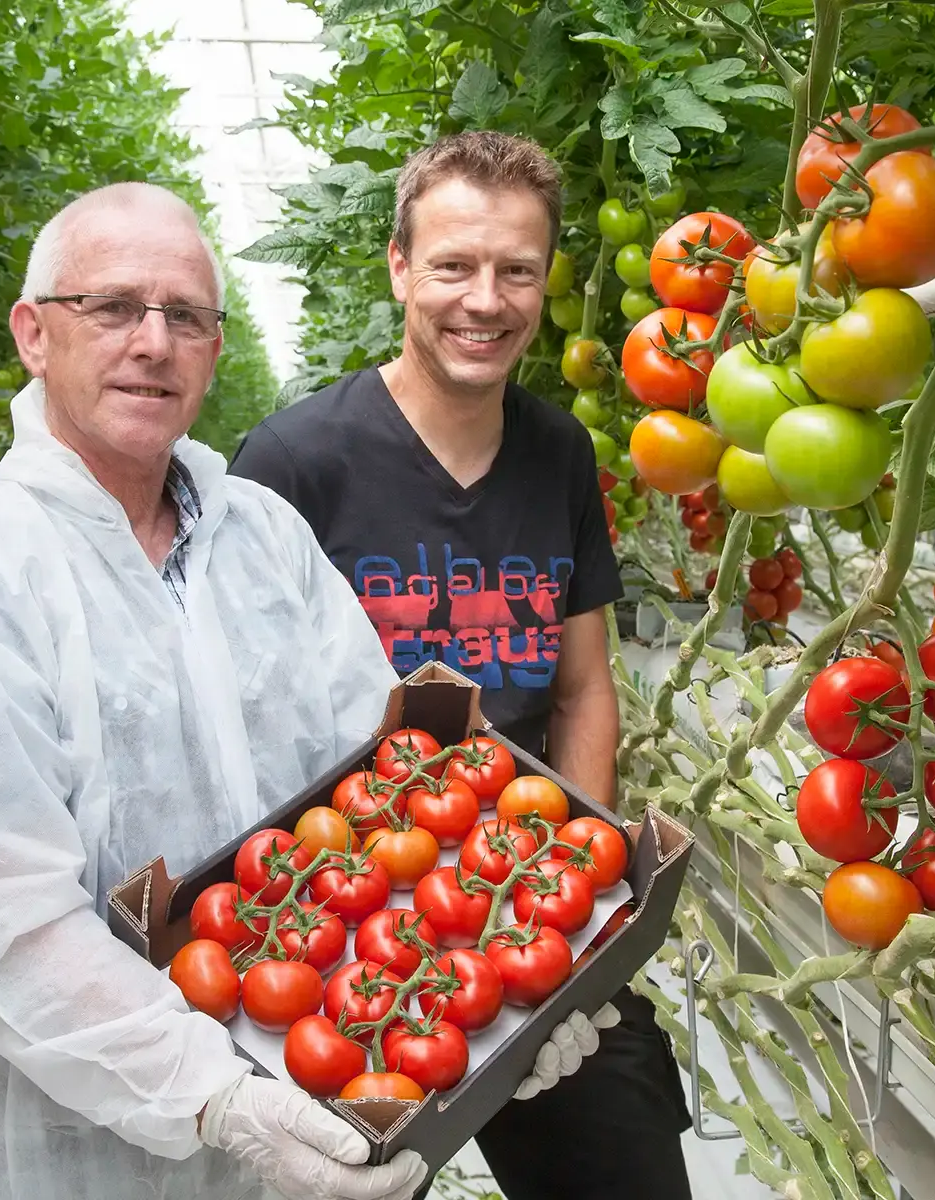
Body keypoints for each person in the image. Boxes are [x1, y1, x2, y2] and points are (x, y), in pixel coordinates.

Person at [0, 182, 611, 1200]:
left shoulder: (263, 534)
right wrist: (214, 1094)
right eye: (114, 307)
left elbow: (378, 773)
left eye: (187, 317)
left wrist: (507, 998)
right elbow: (12, 926)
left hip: (316, 1053)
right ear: (34, 335)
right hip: (67, 1144)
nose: (154, 344)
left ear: (215, 348)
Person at [229, 133, 694, 1200]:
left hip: (519, 894)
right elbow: (247, 722)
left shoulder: (560, 451)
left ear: (544, 281)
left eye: (517, 270)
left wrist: (587, 909)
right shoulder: (294, 463)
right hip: (345, 921)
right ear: (398, 266)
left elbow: (580, 688)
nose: (485, 300)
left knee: (623, 1156)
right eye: (452, 265)